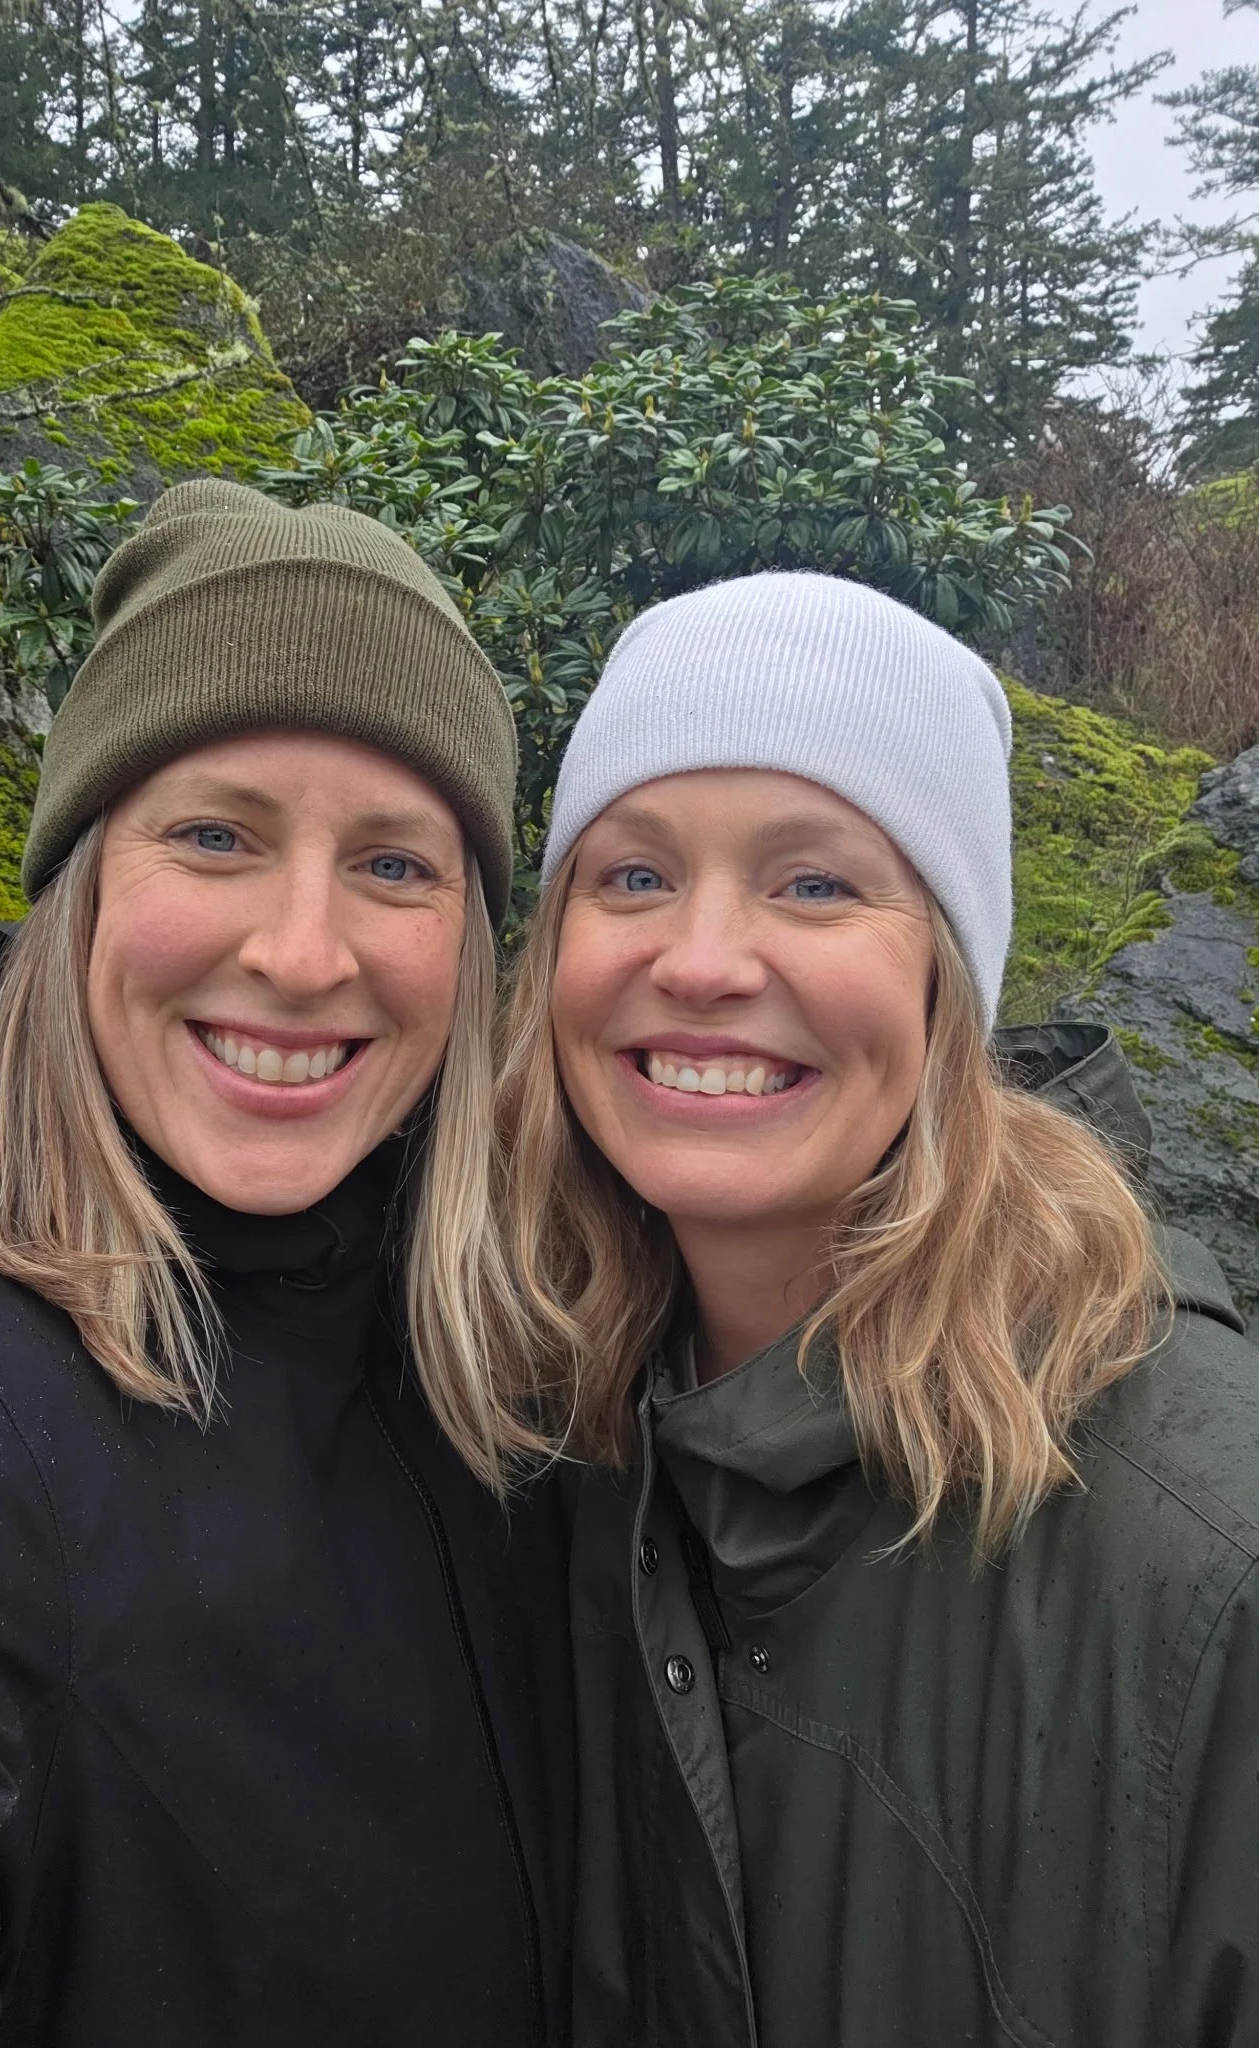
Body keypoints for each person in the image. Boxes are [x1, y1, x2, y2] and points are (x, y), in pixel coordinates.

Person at [0, 480, 573, 2046]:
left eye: (396, 864)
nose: (302, 952)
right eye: (214, 836)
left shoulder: (523, 1371)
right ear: (85, 883)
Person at [491, 571, 1259, 2047]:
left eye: (816, 883)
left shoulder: (1206, 1567)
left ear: (947, 981)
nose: (701, 960)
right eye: (633, 876)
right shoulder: (526, 1428)